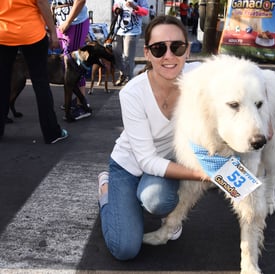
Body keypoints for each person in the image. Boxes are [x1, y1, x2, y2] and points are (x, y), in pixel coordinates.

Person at [98, 15, 208, 261]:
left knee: (156, 199)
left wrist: (266, 123)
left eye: (176, 47)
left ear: (187, 50)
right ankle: (106, 189)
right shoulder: (132, 93)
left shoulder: (200, 76)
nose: (168, 56)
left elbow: (246, 75)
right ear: (147, 53)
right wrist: (202, 173)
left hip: (167, 164)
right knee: (125, 248)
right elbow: (147, 161)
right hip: (130, 165)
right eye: (159, 49)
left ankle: (160, 211)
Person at [0, 0, 68, 144]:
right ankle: (52, 133)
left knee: (2, 82)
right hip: (31, 33)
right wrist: (53, 33)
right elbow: (42, 3)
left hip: (3, 33)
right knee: (41, 82)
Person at [51, 0, 92, 120]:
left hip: (74, 22)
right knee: (69, 65)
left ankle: (82, 106)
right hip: (63, 23)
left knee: (76, 65)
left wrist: (68, 22)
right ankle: (79, 100)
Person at [112, 0, 149, 86]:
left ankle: (129, 79)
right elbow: (115, 5)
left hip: (132, 31)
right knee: (116, 54)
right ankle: (123, 74)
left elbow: (145, 12)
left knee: (128, 57)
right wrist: (116, 9)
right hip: (118, 30)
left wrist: (135, 7)